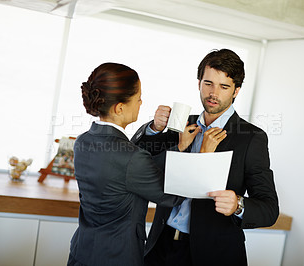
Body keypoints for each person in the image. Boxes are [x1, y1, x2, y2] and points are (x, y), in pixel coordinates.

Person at [132, 49, 279, 266]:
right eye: (208, 83)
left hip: (213, 255)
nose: (213, 93)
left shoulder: (251, 138)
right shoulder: (180, 123)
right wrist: (154, 128)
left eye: (224, 86)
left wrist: (237, 205)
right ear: (199, 82)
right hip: (160, 245)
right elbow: (136, 158)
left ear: (236, 91)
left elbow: (269, 209)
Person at [67, 62, 221, 266]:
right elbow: (172, 196)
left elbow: (127, 170)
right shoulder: (131, 157)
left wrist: (179, 148)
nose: (141, 103)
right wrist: (202, 157)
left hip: (82, 251)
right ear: (120, 107)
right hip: (117, 257)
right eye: (138, 98)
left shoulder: (83, 141)